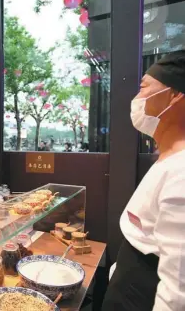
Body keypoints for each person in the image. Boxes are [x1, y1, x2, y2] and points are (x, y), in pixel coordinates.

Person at [102, 51, 185, 311]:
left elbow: (177, 288)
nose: (137, 99)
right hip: (129, 282)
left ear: (175, 95)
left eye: (144, 87)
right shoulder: (167, 158)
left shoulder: (181, 170)